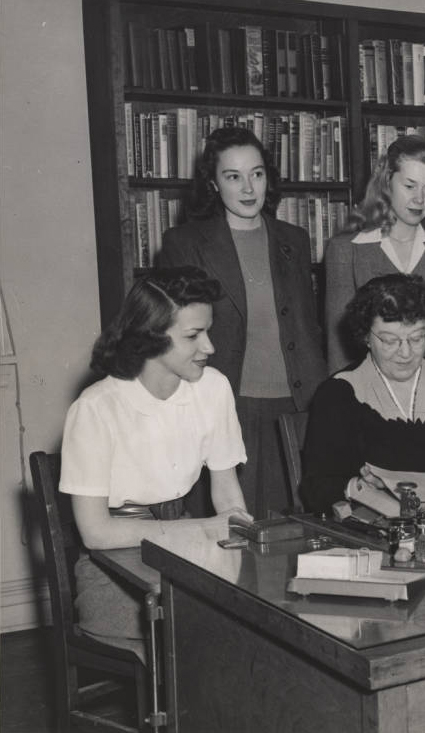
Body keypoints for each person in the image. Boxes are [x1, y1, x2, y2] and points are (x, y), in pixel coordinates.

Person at [59, 267, 249, 655]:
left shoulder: (213, 389)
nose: (209, 347)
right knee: (193, 643)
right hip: (110, 568)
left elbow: (227, 493)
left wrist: (236, 528)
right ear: (149, 338)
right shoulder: (96, 408)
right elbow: (96, 533)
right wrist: (202, 529)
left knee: (253, 626)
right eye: (193, 336)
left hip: (185, 548)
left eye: (208, 331)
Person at [158, 126, 326, 518]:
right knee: (238, 537)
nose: (249, 188)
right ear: (214, 184)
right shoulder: (185, 243)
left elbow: (308, 327)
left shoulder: (295, 240)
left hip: (298, 406)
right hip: (229, 406)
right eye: (233, 176)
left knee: (302, 531)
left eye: (257, 173)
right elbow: (173, 338)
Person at [301, 274, 425, 514]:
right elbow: (316, 486)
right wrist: (357, 487)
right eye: (390, 340)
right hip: (377, 530)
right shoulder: (339, 393)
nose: (405, 352)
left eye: (417, 338)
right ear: (366, 337)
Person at [324, 134, 425, 377]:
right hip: (372, 394)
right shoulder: (346, 250)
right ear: (386, 182)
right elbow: (339, 350)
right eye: (409, 186)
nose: (419, 199)